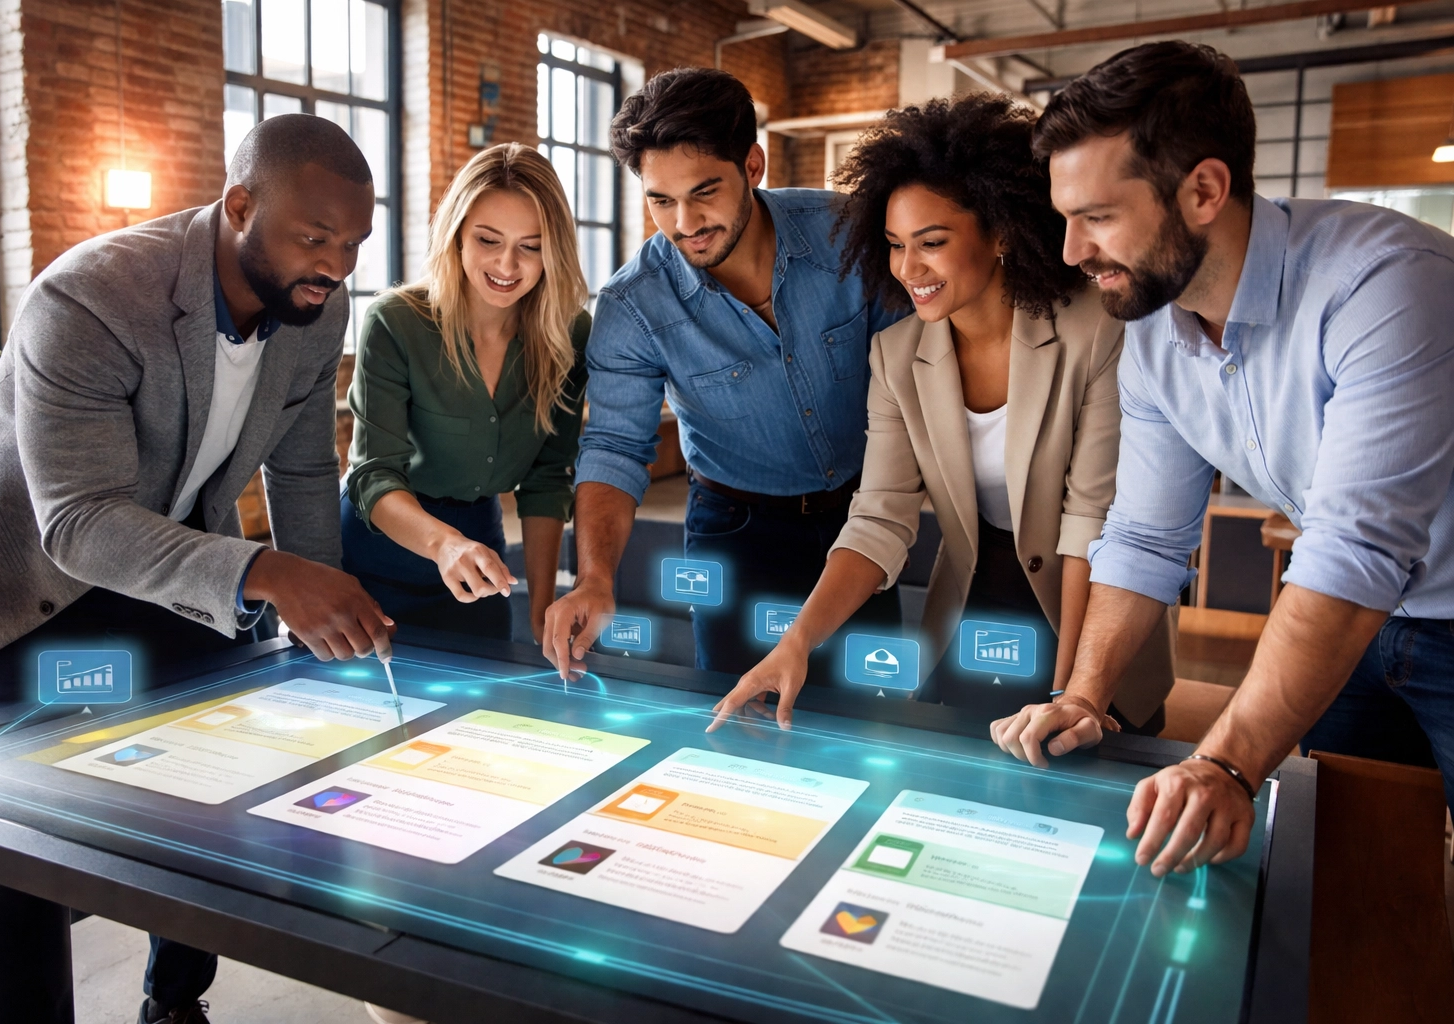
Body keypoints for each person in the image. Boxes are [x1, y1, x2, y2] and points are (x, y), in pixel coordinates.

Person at [0, 114, 392, 1024]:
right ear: (240, 204)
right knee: (25, 838)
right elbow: (80, 522)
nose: (336, 263)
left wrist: (317, 613)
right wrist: (270, 574)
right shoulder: (91, 298)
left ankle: (174, 1006)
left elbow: (300, 467)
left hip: (182, 561)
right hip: (34, 584)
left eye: (353, 243)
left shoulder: (315, 306)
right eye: (314, 235)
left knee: (207, 797)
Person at [992, 41, 1454, 878]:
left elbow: (1355, 550)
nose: (1070, 252)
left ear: (1204, 189)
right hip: (1359, 625)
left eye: (1096, 216)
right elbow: (1143, 535)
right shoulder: (1152, 333)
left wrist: (1227, 761)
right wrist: (1083, 694)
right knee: (1356, 861)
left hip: (1415, 601)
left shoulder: (1387, 283)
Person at [709, 95, 1176, 731]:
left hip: (1091, 595)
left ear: (1002, 229)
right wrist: (796, 644)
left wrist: (1072, 693)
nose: (909, 269)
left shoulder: (1095, 330)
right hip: (977, 591)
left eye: (932, 242)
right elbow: (879, 515)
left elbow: (1089, 524)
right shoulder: (896, 356)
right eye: (895, 245)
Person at [541, 67, 904, 683]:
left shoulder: (849, 236)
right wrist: (596, 579)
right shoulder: (633, 305)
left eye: (704, 191)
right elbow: (613, 448)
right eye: (660, 200)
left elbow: (920, 369)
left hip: (862, 514)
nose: (684, 222)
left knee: (876, 712)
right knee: (739, 723)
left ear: (753, 167)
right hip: (735, 531)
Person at [342, 143, 590, 644]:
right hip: (375, 553)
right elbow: (373, 475)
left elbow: (547, 479)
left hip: (481, 557)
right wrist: (446, 545)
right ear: (455, 236)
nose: (507, 263)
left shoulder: (571, 332)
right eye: (488, 239)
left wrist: (542, 612)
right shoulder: (395, 321)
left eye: (531, 245)